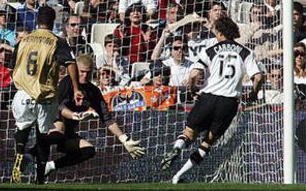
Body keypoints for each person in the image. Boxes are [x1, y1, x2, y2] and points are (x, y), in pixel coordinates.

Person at [160, 15, 263, 183]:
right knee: (207, 143)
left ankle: (177, 148)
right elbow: (258, 77)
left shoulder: (210, 50)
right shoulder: (246, 52)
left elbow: (194, 74)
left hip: (208, 97)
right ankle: (178, 176)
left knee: (188, 133)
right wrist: (253, 93)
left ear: (220, 32)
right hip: (229, 103)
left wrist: (193, 91)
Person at [10, 6, 83, 184]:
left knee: (22, 127)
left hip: (22, 93)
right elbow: (70, 63)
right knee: (43, 135)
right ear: (52, 21)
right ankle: (40, 177)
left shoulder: (23, 41)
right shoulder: (56, 41)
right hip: (44, 94)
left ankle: (20, 153)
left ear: (37, 21)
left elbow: (12, 64)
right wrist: (75, 88)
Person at [43, 54, 145, 176]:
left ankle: (50, 166)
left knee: (89, 151)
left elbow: (106, 118)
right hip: (51, 123)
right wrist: (75, 115)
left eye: (88, 72)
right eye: (82, 72)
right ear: (75, 69)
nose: (85, 75)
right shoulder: (67, 82)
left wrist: (123, 138)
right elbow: (58, 106)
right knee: (58, 130)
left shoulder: (93, 91)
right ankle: (29, 155)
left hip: (68, 132)